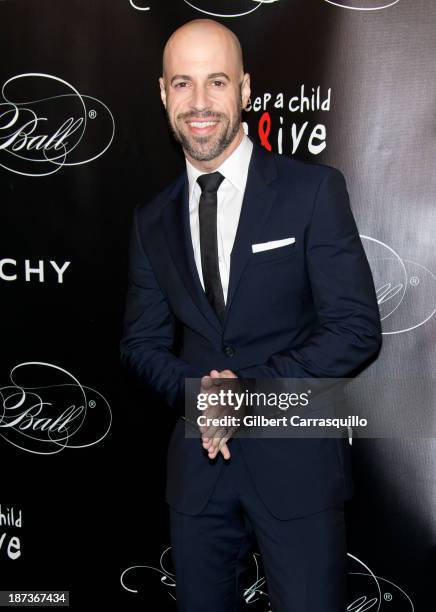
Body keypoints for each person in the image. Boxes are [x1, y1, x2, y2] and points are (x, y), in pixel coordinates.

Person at [120, 18, 382, 612]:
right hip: (198, 474)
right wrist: (199, 396)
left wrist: (250, 392)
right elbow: (141, 343)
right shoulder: (150, 219)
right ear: (163, 94)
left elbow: (354, 328)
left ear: (244, 89)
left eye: (217, 82)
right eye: (182, 84)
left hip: (296, 465)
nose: (200, 103)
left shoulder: (312, 191)